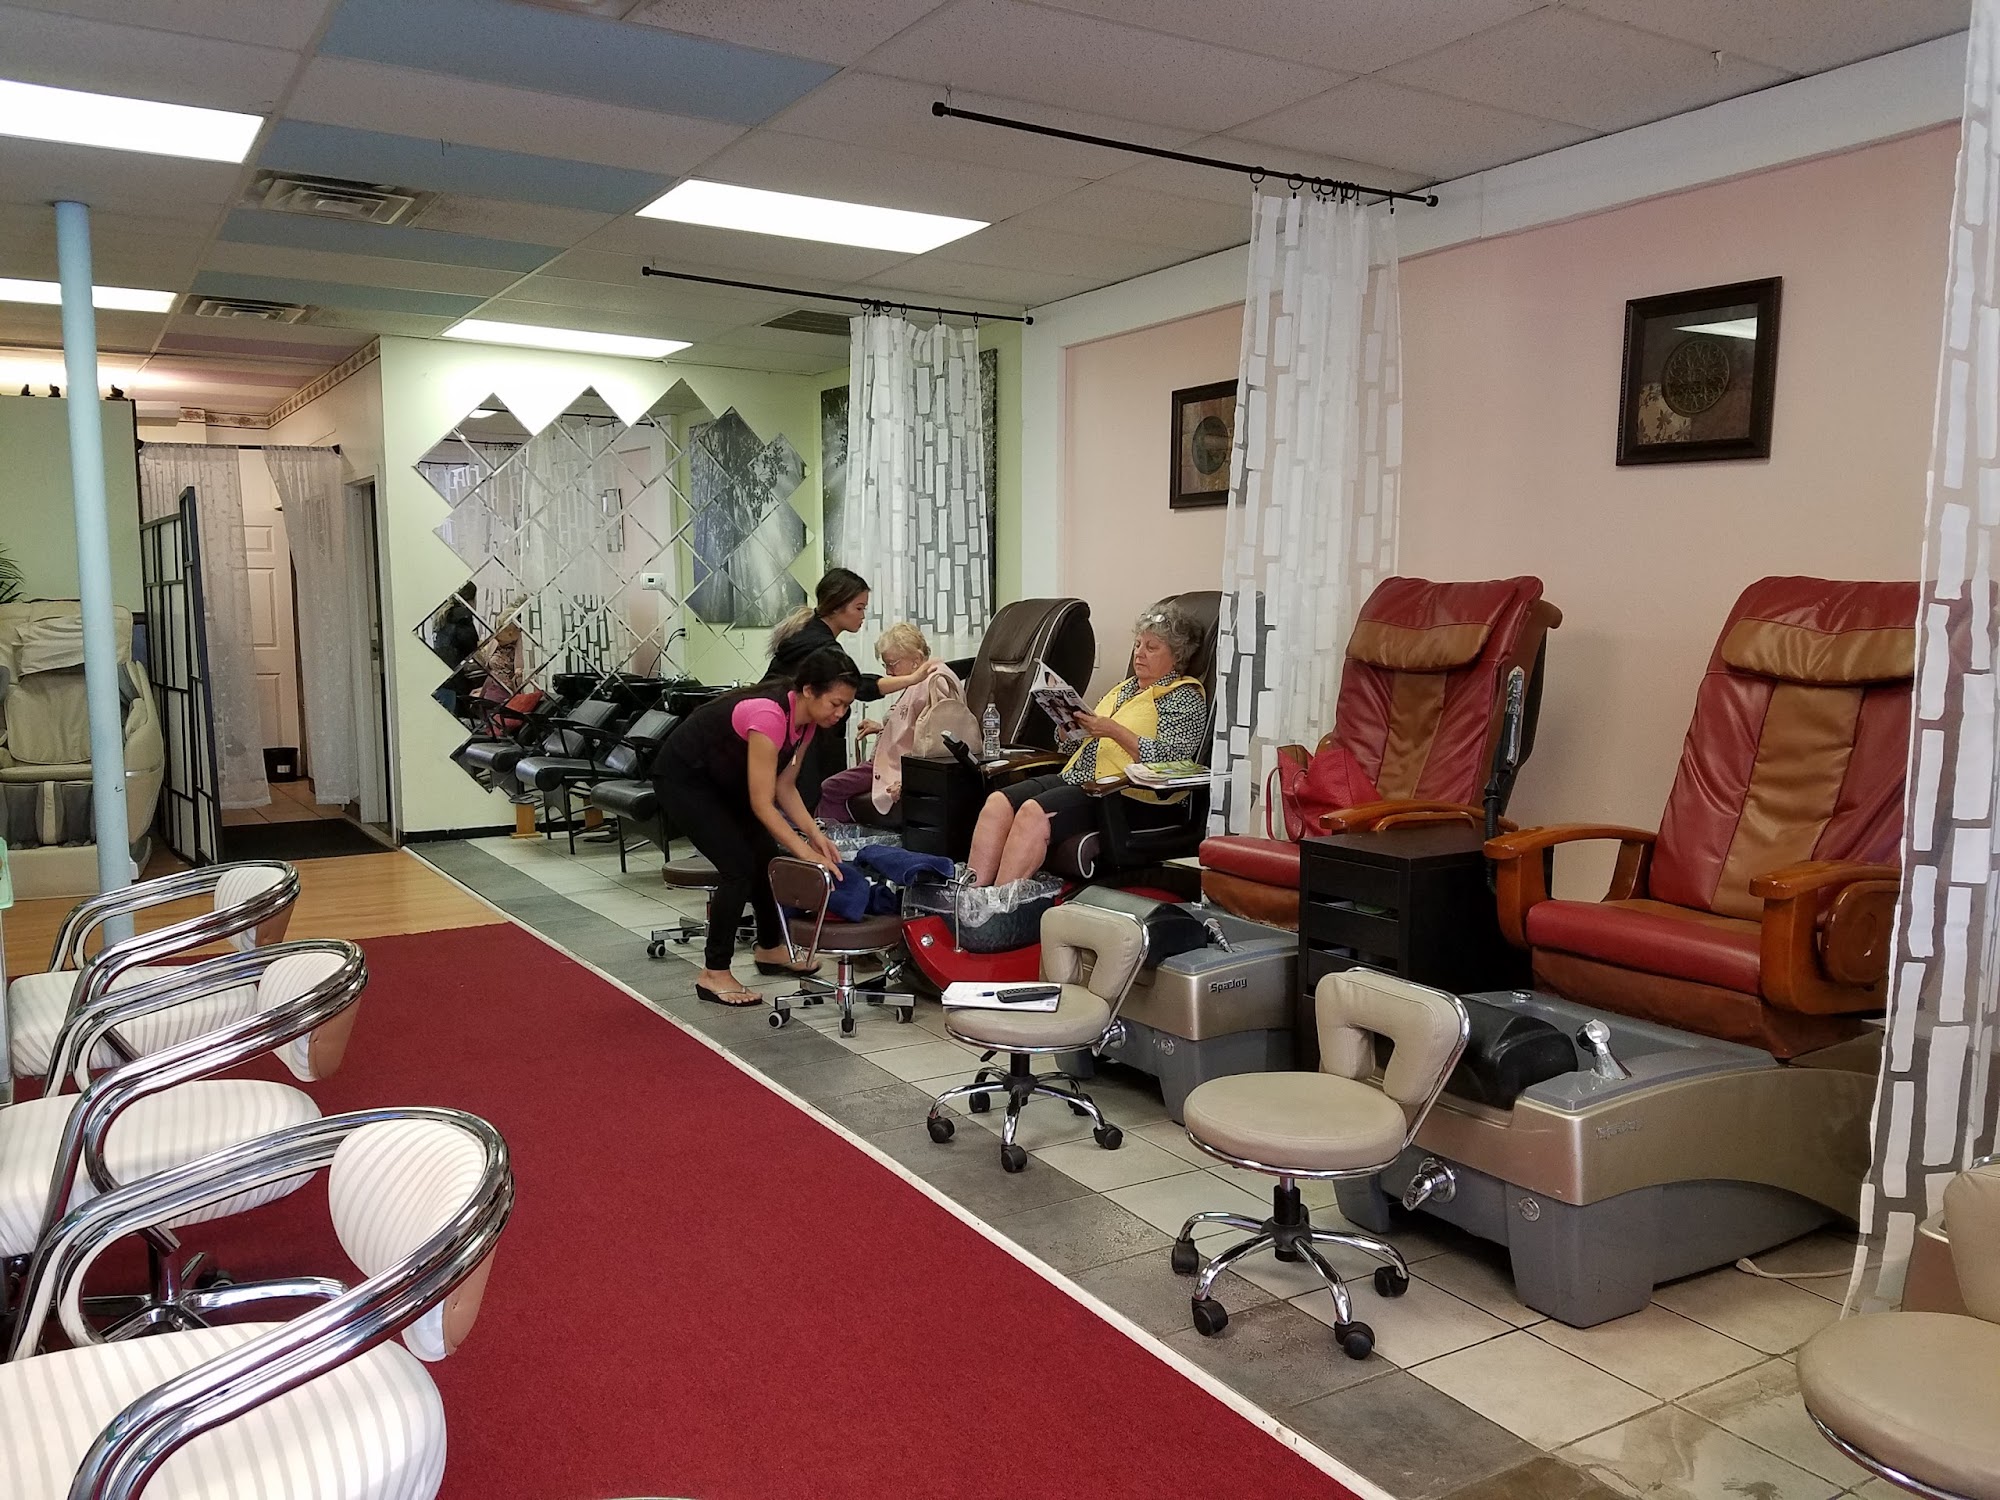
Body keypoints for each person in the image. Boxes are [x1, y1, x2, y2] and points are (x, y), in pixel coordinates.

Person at [654, 646, 866, 1007]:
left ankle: (770, 948)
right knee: (737, 866)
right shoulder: (769, 715)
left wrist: (815, 835)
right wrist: (806, 853)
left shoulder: (806, 723)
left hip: (722, 781)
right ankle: (714, 972)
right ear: (809, 690)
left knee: (766, 857)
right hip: (684, 778)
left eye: (846, 705)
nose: (840, 713)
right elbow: (762, 804)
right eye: (836, 703)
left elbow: (785, 786)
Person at [967, 601, 1208, 886]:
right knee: (998, 803)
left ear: (1177, 656)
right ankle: (974, 893)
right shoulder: (1123, 690)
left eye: (1151, 647)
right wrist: (1067, 728)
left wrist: (1113, 730)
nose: (1139, 653)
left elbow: (1174, 762)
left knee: (1033, 811)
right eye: (1137, 645)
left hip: (1125, 795)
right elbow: (1078, 747)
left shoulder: (1183, 697)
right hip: (1080, 778)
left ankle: (1000, 903)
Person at [765, 568, 939, 807]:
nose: (863, 615)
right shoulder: (819, 646)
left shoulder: (807, 637)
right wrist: (912, 679)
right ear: (837, 606)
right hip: (786, 733)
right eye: (859, 608)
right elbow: (859, 685)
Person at [813, 622, 966, 822]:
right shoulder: (921, 680)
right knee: (832, 788)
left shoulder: (935, 682)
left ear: (916, 659)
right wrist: (882, 728)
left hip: (898, 767)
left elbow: (938, 740)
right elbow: (917, 726)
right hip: (891, 762)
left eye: (892, 664)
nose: (888, 672)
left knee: (830, 788)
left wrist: (906, 779)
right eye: (885, 665)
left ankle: (830, 836)